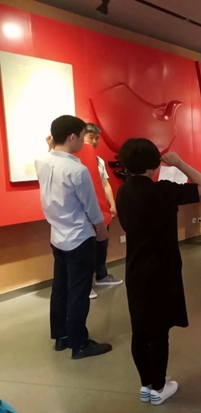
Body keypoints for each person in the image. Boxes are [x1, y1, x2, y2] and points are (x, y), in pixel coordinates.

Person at [116, 138, 201, 405]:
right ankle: (159, 387)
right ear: (155, 164)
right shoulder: (164, 190)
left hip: (135, 268)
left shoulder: (123, 192)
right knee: (159, 332)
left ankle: (146, 384)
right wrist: (179, 162)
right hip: (162, 269)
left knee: (140, 330)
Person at [35, 115, 112, 360]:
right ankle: (80, 343)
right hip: (79, 236)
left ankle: (61, 337)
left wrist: (51, 147)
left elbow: (51, 159)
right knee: (79, 291)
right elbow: (91, 206)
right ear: (72, 137)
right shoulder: (77, 170)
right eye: (81, 136)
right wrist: (101, 230)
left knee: (60, 288)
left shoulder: (41, 161)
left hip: (57, 235)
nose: (83, 142)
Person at [83, 123, 123, 299]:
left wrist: (112, 204)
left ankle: (102, 275)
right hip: (84, 211)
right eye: (90, 137)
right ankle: (85, 285)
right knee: (86, 248)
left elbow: (105, 184)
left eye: (96, 138)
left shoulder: (98, 160)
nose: (94, 141)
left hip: (101, 209)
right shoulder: (75, 159)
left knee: (102, 244)